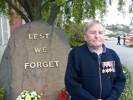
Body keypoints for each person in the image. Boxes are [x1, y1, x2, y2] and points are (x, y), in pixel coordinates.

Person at [65, 20, 126, 100]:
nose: (97, 36)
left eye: (100, 33)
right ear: (85, 36)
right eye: (93, 32)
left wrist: (112, 98)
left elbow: (120, 80)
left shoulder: (112, 55)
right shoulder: (76, 54)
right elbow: (71, 83)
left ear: (103, 35)